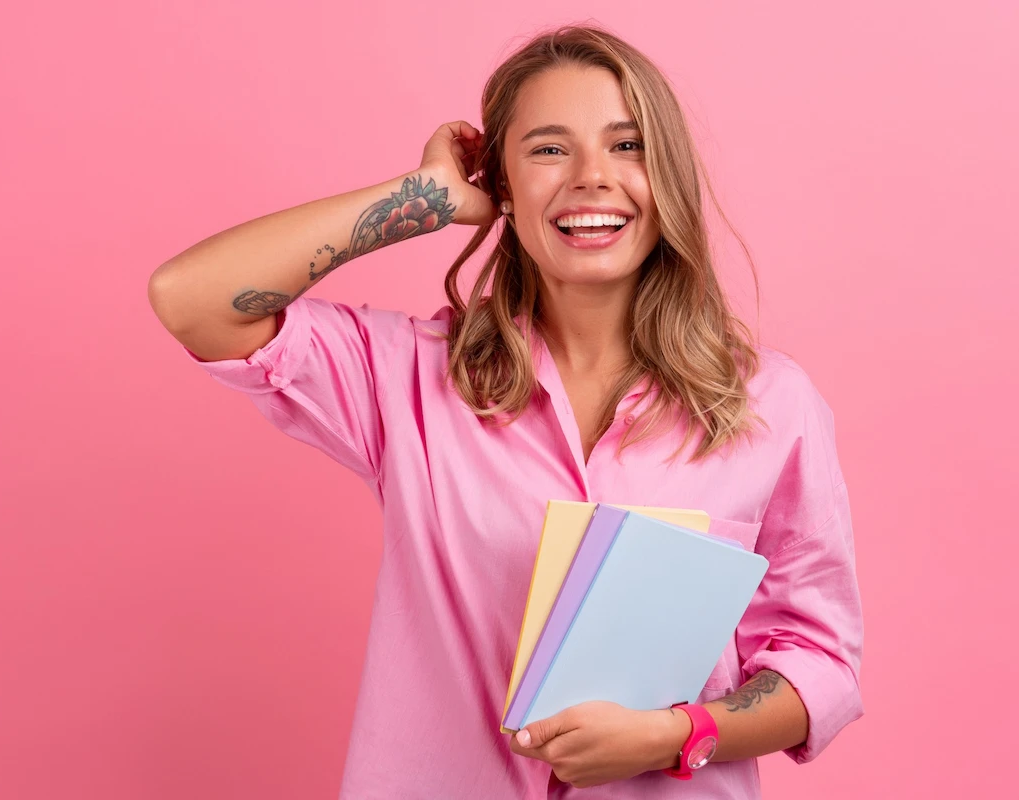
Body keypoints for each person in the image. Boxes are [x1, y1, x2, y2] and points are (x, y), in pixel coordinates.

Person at [148, 24, 864, 800]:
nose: (592, 177)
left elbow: (817, 662)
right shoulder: (411, 378)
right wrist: (422, 200)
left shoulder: (768, 404)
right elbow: (190, 300)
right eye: (549, 150)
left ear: (668, 178)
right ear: (503, 186)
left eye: (627, 146)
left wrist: (673, 735)